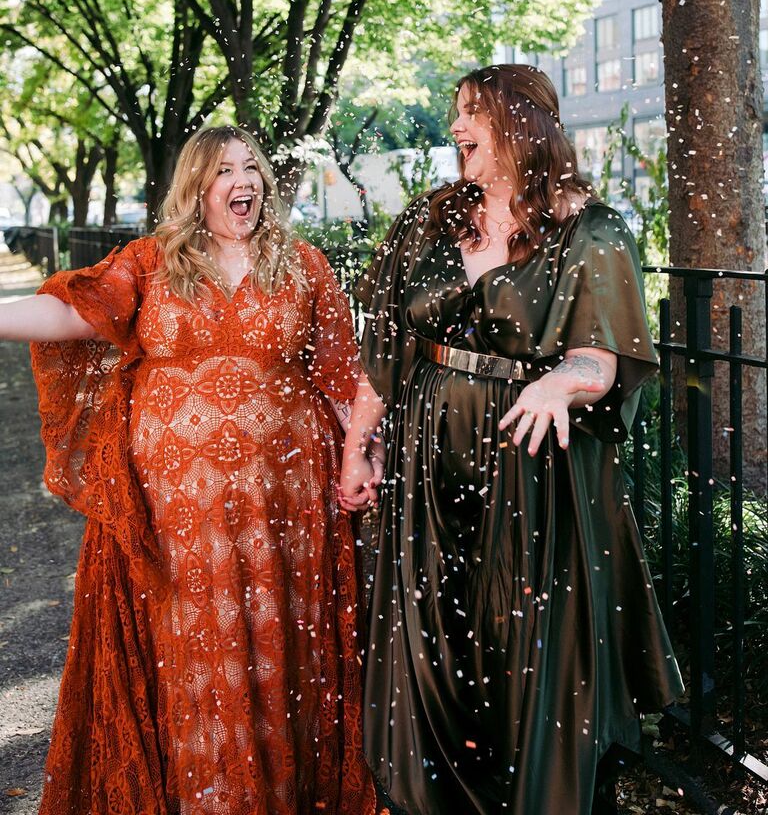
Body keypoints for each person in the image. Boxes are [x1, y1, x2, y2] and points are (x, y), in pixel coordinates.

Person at [1, 126, 375, 815]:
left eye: (253, 167)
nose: (246, 181)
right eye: (226, 169)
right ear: (197, 185)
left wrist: (360, 453)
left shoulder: (303, 265)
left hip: (284, 510)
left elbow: (344, 375)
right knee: (190, 653)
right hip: (176, 514)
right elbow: (70, 312)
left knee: (279, 649)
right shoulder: (149, 264)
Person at [340, 65, 683, 815]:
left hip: (533, 474)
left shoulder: (589, 230)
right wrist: (357, 446)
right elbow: (385, 351)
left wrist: (560, 382)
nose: (456, 128)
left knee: (523, 650)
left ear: (523, 122)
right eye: (456, 113)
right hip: (424, 464)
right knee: (430, 645)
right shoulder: (428, 222)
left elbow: (604, 355)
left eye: (471, 113)